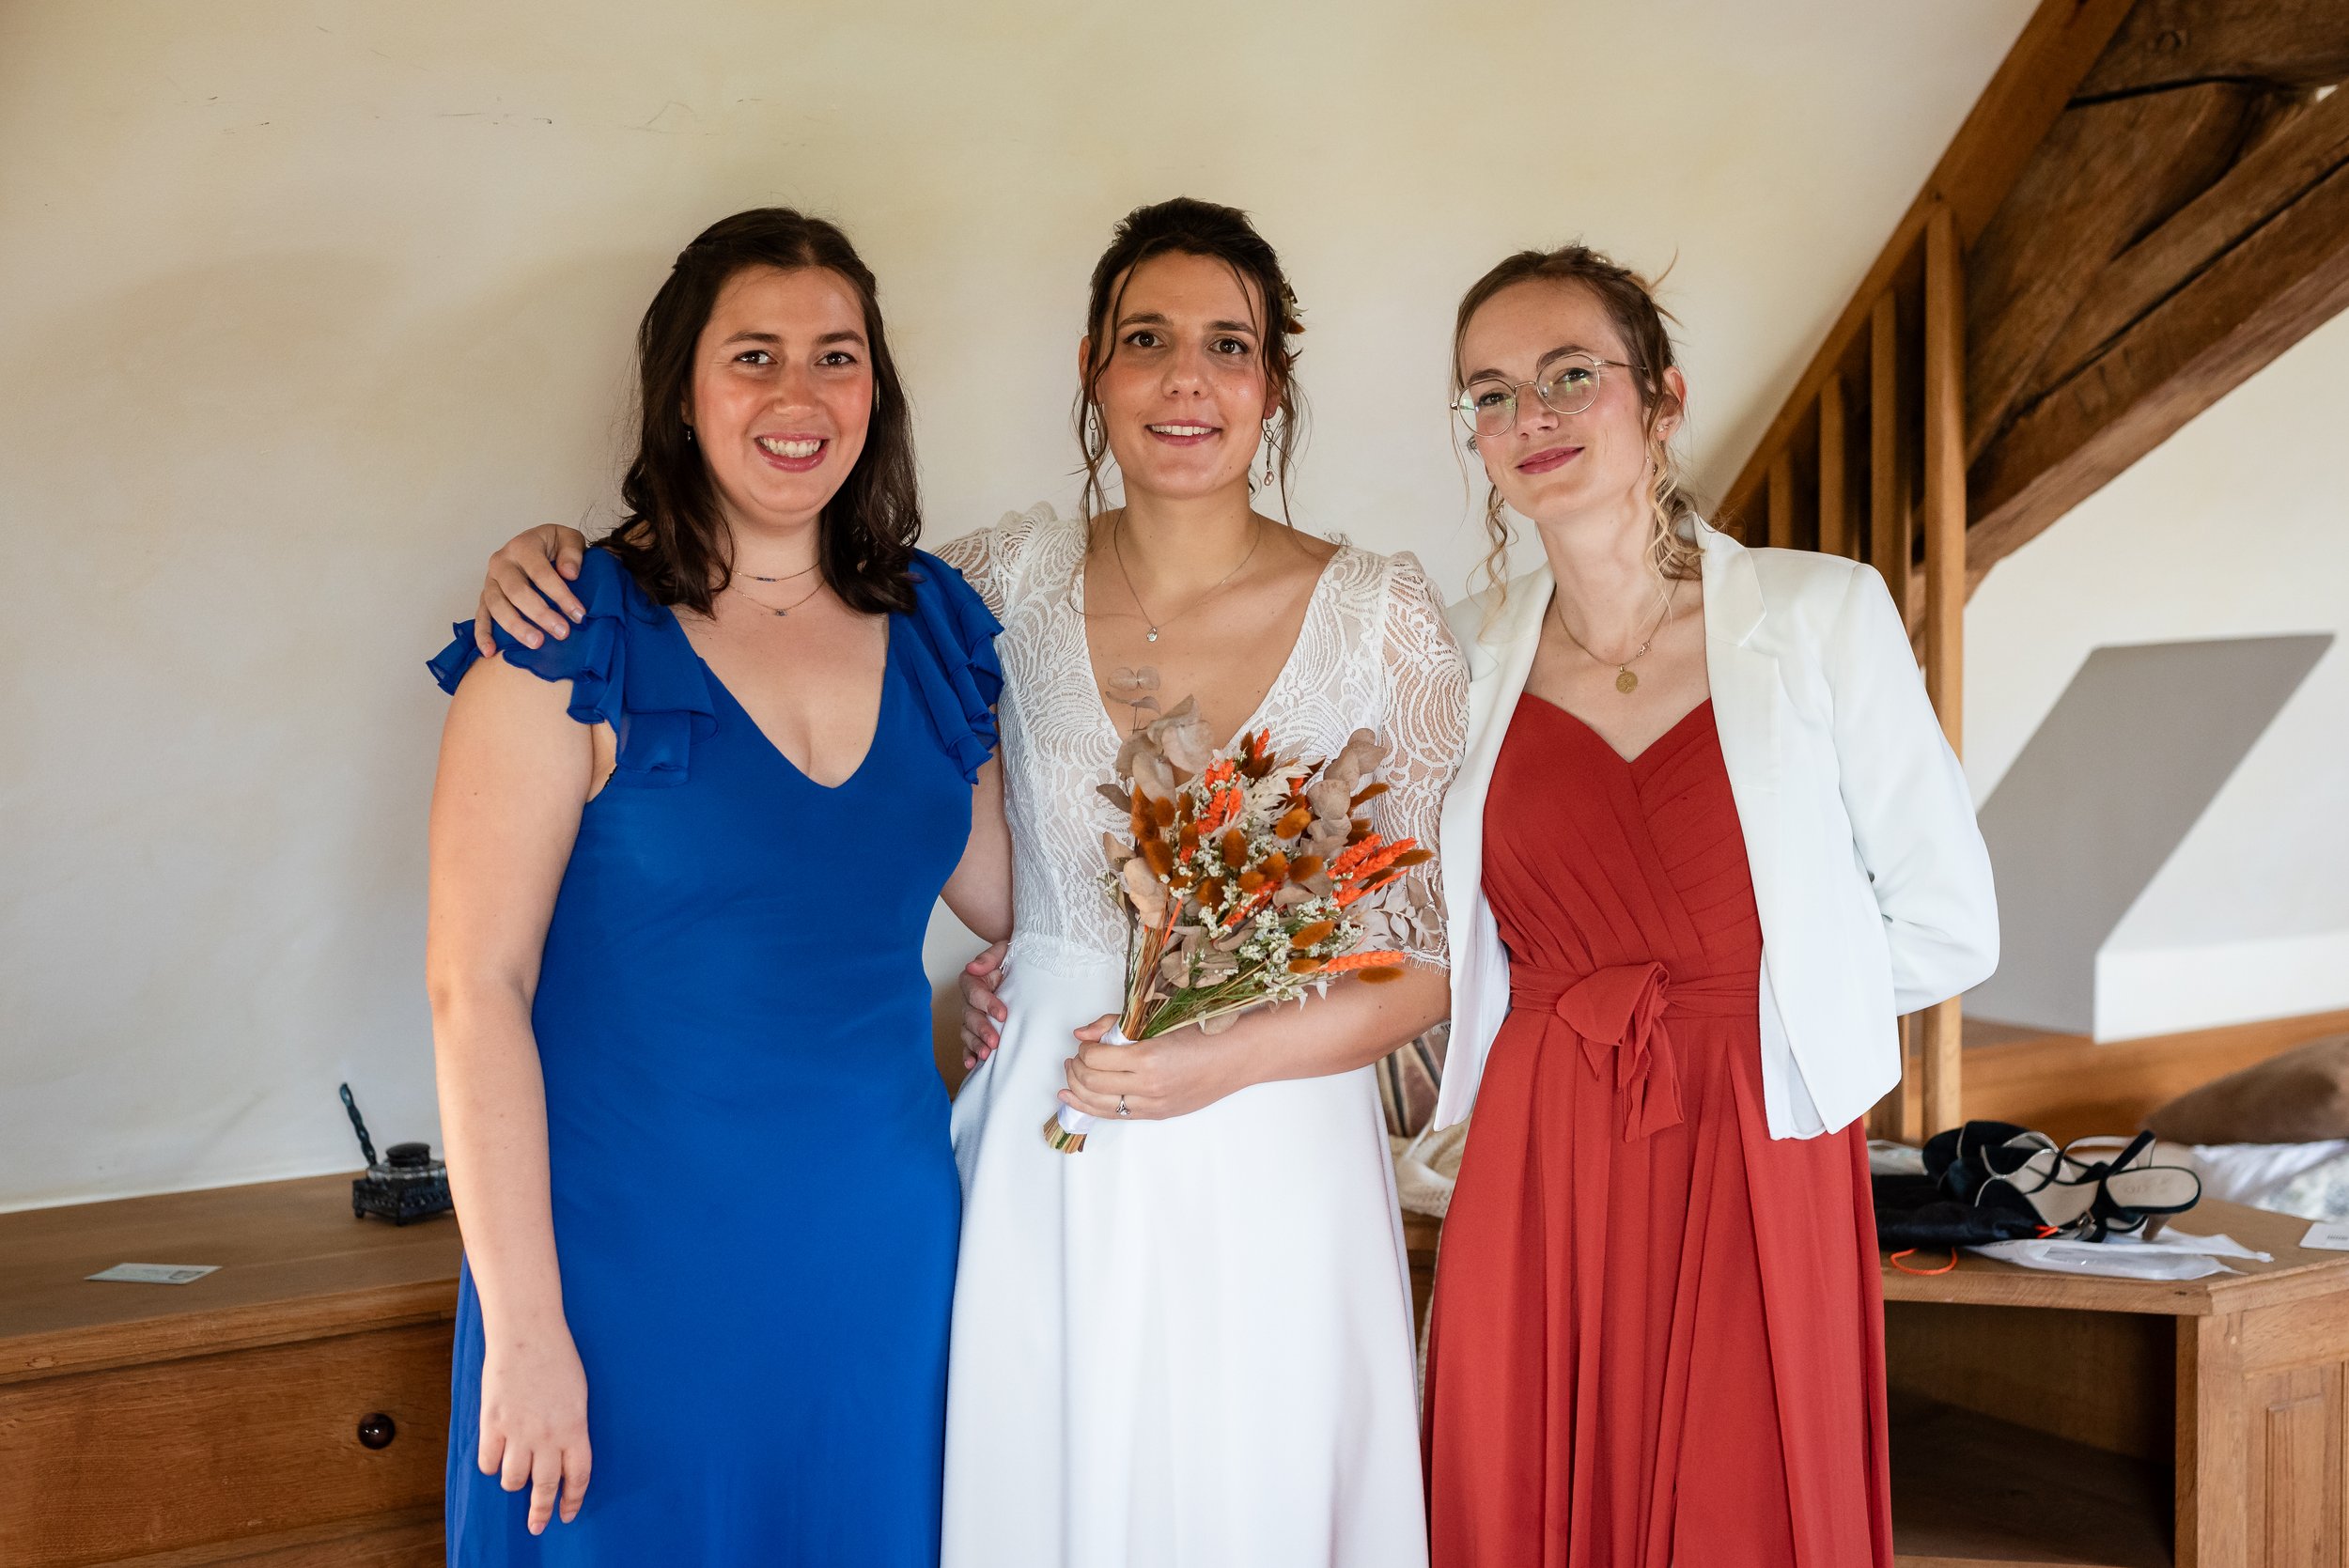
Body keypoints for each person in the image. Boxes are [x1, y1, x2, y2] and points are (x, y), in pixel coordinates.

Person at [471, 197, 1468, 1568]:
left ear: (1273, 380)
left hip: (1215, 1151)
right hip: (1013, 1145)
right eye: (1147, 338)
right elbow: (969, 874)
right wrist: (541, 553)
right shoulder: (984, 589)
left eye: (1229, 345)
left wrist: (1162, 1029)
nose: (1187, 377)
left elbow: (1407, 950)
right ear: (1091, 369)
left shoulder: (1357, 614)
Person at [425, 207, 1008, 1566]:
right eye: (754, 355)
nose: (799, 396)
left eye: (837, 355)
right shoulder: (564, 636)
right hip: (621, 1281)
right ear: (683, 391)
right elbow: (475, 991)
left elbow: (1021, 900)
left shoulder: (937, 631)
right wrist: (524, 1328)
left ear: (879, 388)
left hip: (880, 1266)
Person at [1418, 244, 1998, 1568]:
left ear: (1662, 400)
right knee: (1521, 1488)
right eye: (1491, 395)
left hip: (1757, 1118)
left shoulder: (1822, 614)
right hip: (1541, 1131)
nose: (1532, 420)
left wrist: (1770, 1006)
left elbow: (1952, 918)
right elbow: (1397, 914)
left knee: (1746, 1498)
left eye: (1572, 376)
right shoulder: (1454, 653)